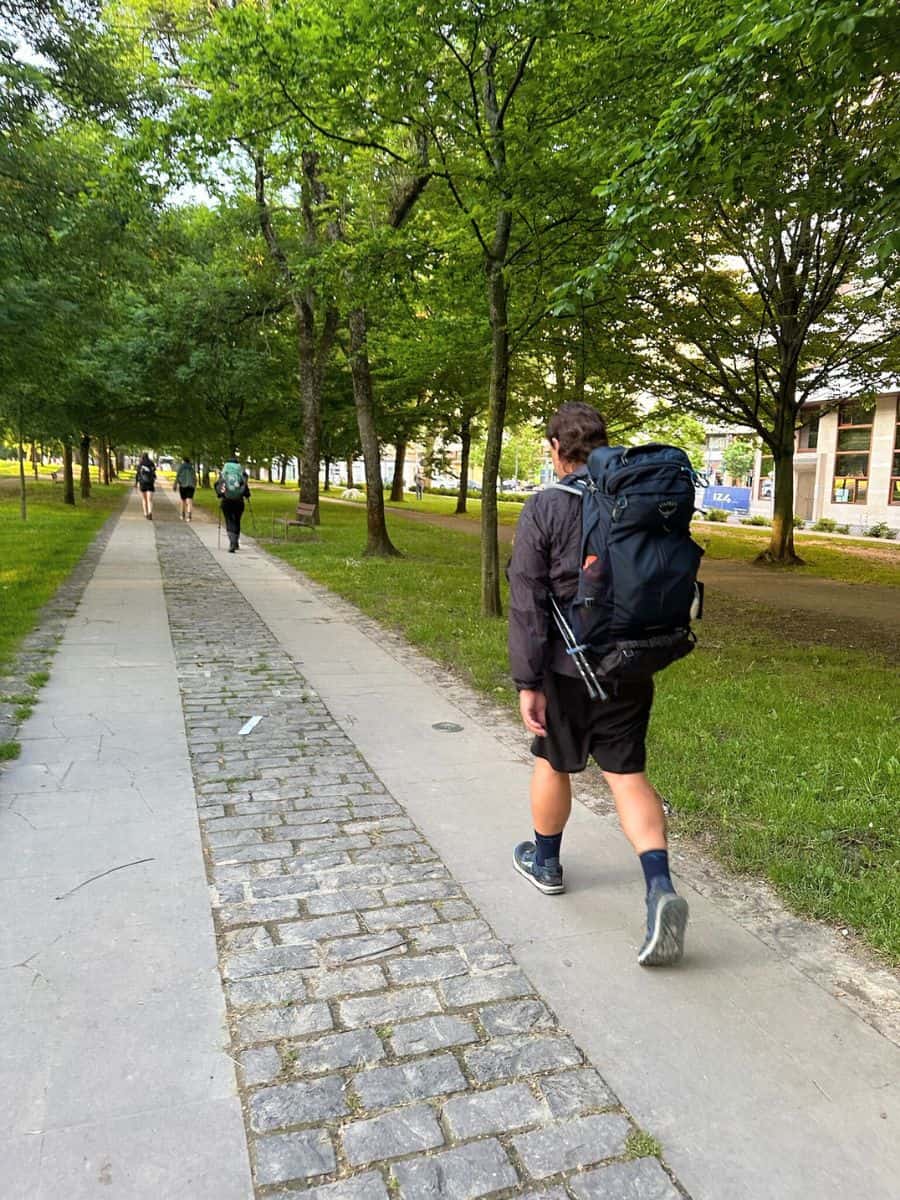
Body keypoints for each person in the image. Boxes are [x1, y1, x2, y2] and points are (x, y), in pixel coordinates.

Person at [507, 402, 689, 967]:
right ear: (603, 446)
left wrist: (526, 680)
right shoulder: (633, 499)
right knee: (627, 774)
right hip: (631, 660)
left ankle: (547, 862)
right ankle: (659, 885)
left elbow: (528, 601)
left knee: (553, 762)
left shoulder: (544, 507)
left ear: (556, 449)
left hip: (568, 669)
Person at [215, 453, 250, 552]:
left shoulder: (224, 473)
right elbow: (245, 488)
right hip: (239, 501)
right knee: (237, 520)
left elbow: (218, 487)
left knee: (229, 520)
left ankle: (232, 542)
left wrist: (220, 495)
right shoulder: (241, 473)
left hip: (226, 501)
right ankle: (236, 542)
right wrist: (247, 495)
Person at [174, 456, 197, 521]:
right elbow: (194, 478)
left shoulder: (181, 467)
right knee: (189, 501)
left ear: (183, 461)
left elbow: (177, 476)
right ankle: (189, 516)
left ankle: (182, 514)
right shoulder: (191, 468)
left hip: (183, 486)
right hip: (191, 486)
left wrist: (175, 484)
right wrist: (195, 485)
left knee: (183, 500)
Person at [135, 452, 156, 519]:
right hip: (150, 483)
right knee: (150, 500)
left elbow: (137, 474)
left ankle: (145, 513)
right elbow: (154, 472)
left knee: (144, 499)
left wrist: (136, 483)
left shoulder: (140, 464)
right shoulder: (151, 463)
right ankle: (150, 512)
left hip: (142, 483)